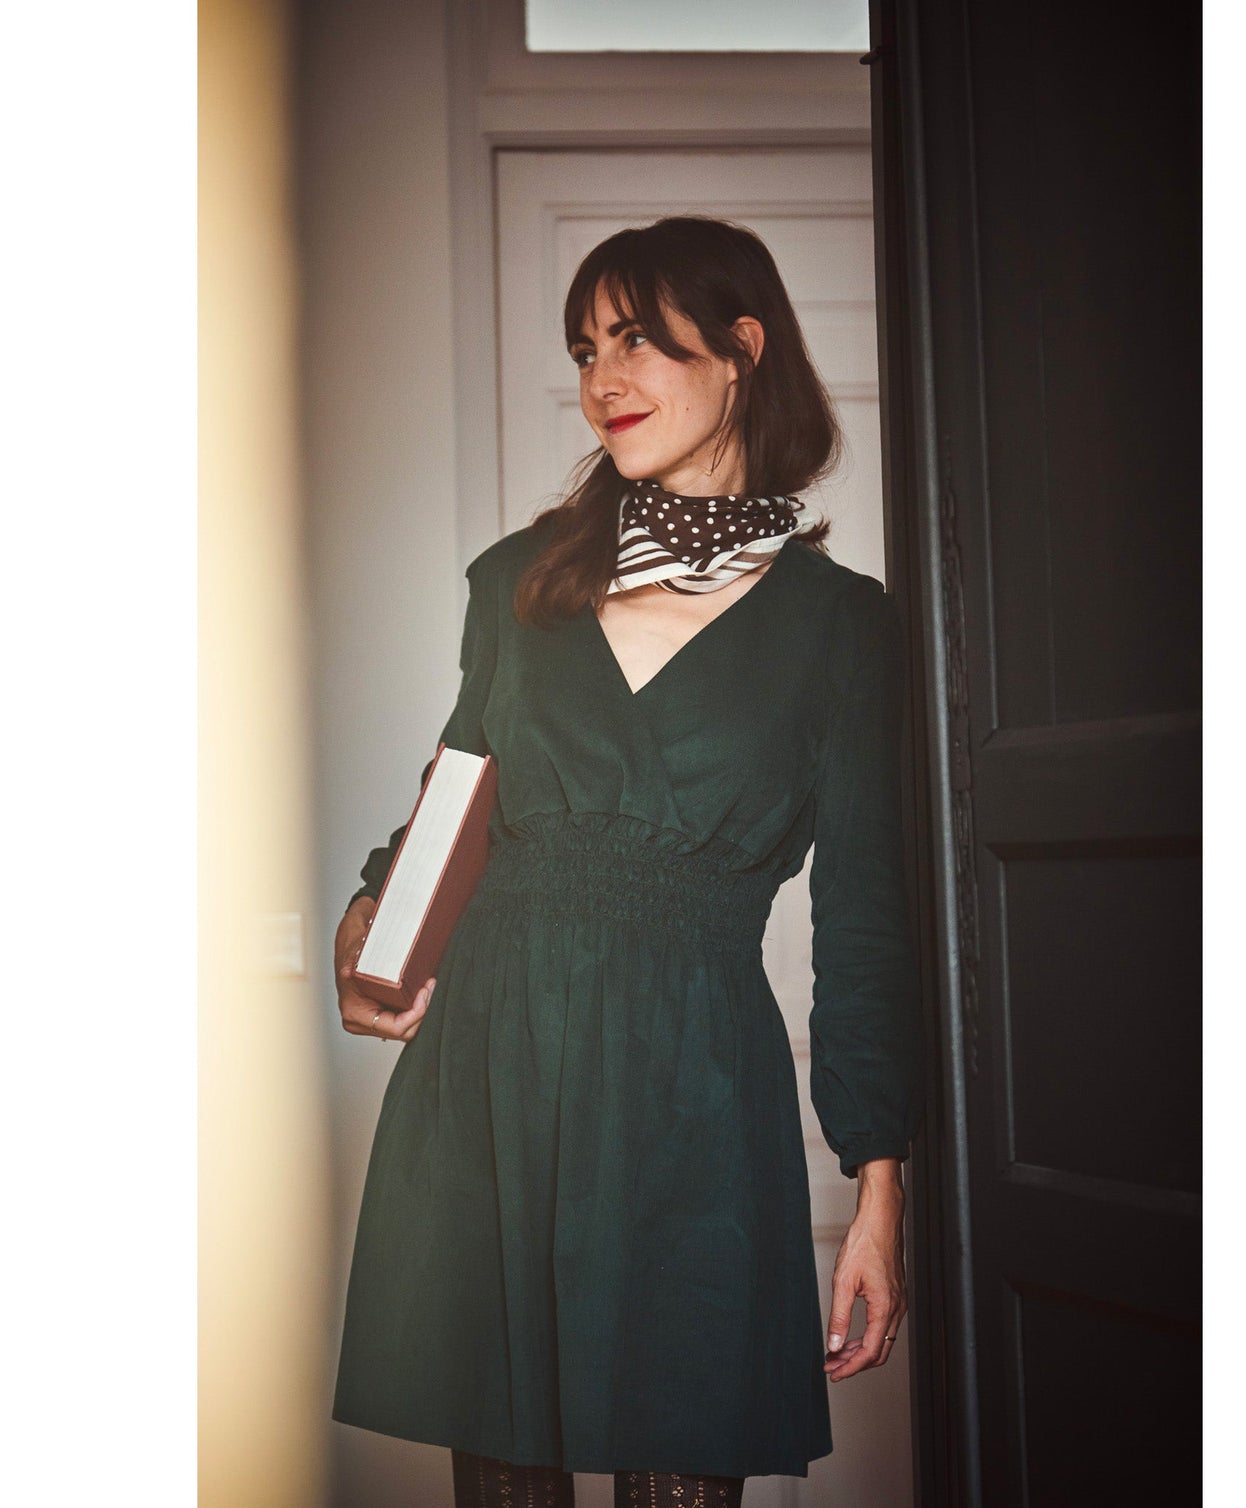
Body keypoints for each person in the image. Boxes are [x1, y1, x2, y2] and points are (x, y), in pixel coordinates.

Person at [330, 216, 927, 1508]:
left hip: (694, 1093)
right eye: (586, 349)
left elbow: (866, 920)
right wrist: (366, 925)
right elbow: (449, 804)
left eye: (637, 341)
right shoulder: (516, 586)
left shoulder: (842, 627)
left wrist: (881, 1190)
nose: (602, 379)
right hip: (494, 1073)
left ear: (741, 349)